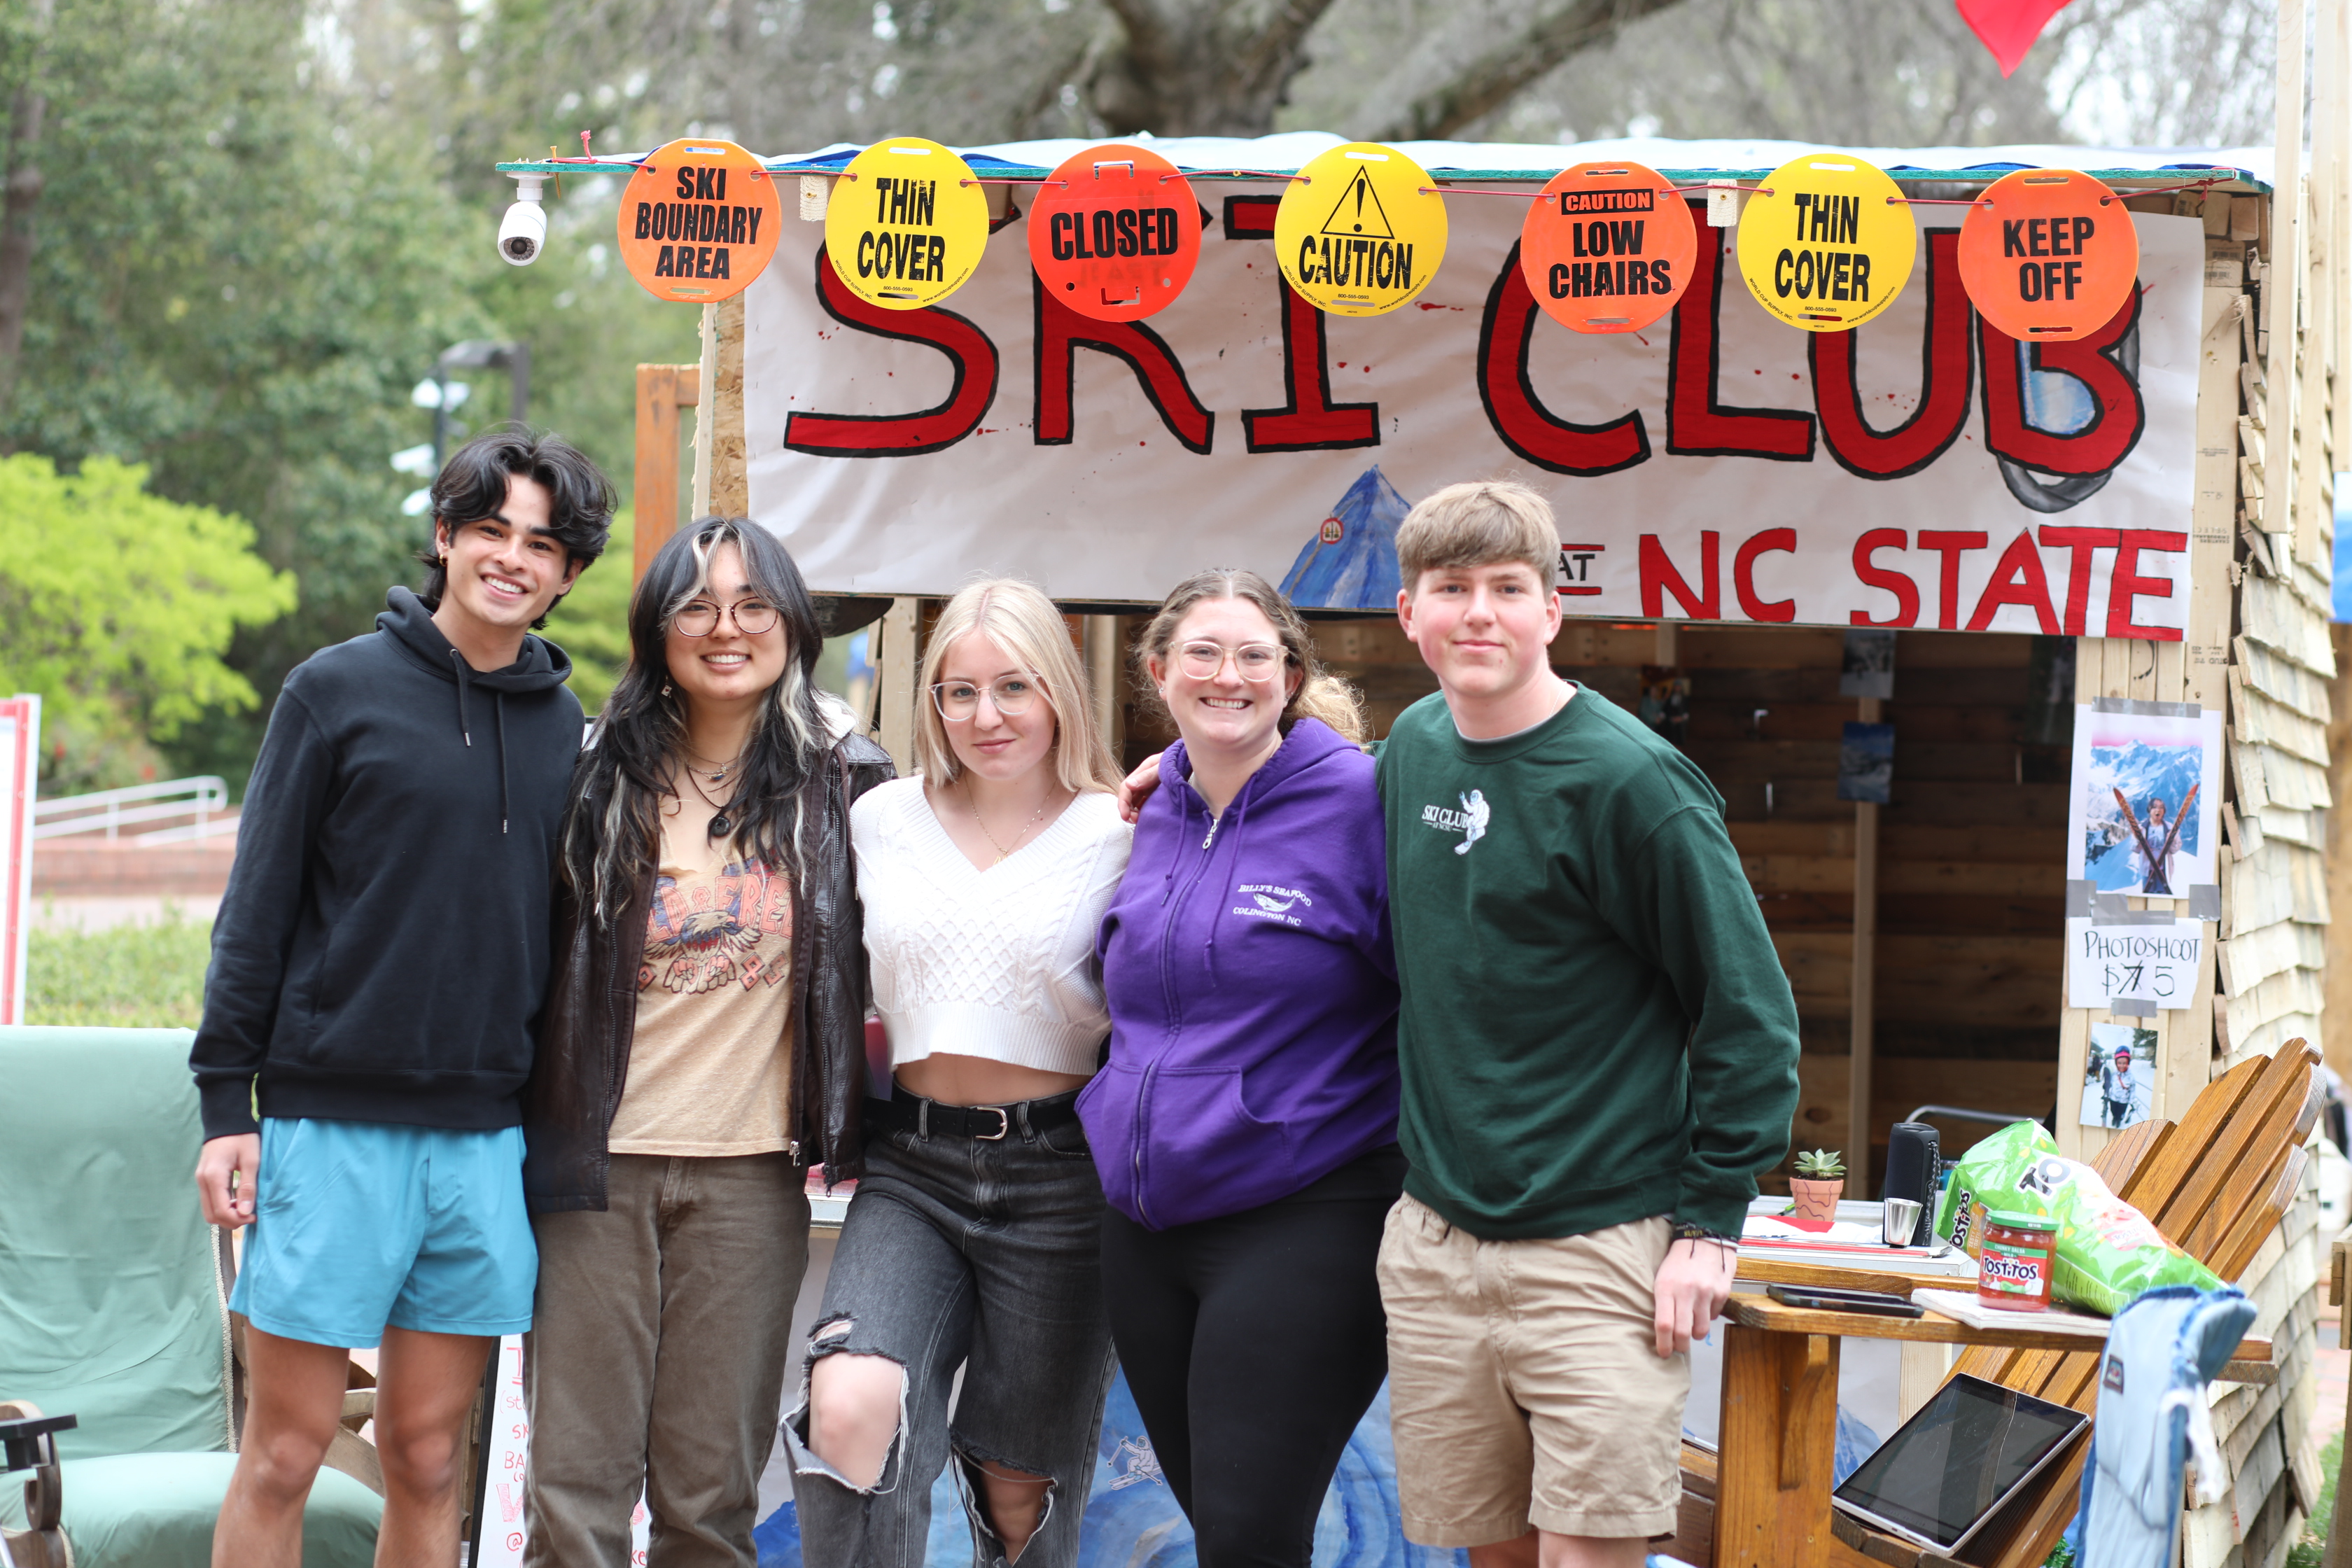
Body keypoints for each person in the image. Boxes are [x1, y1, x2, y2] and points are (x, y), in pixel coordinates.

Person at [188, 429, 615, 1568]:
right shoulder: (333, 693)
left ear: (569, 574)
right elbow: (257, 910)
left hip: (483, 1145)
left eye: (541, 544)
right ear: (444, 538)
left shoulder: (575, 736)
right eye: (489, 530)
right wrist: (226, 1106)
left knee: (429, 1459)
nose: (511, 558)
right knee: (287, 1449)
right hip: (330, 1130)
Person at [1372, 481, 1800, 1568]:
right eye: (1451, 589)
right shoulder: (1414, 748)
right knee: (1492, 1554)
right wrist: (1174, 780)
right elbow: (1285, 796)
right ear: (1409, 615)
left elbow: (1748, 1018)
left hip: (1601, 1245)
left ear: (1551, 614)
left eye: (1509, 589)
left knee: (1589, 1555)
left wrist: (1709, 1228)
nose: (1479, 613)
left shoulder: (1630, 784)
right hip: (1437, 1241)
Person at [519, 517, 893, 1567]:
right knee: (576, 1493)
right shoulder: (591, 770)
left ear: (791, 624)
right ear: (656, 627)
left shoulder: (850, 780)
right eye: (697, 605)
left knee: (710, 1499)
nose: (725, 629)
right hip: (596, 1167)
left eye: (752, 605)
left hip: (749, 1180)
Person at [789, 578, 1132, 1568]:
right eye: (959, 692)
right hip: (916, 1164)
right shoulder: (880, 817)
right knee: (849, 1404)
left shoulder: (1125, 828)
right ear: (932, 703)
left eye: (1014, 687)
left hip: (1063, 1175)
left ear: (1060, 692)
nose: (987, 716)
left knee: (1015, 1490)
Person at [1086, 569, 1401, 1568]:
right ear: (1159, 673)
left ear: (1293, 676)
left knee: (1248, 1538)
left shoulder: (1364, 803)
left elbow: (1449, 994)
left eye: (1255, 655)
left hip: (1305, 1207)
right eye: (1204, 655)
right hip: (1143, 1225)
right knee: (1228, 1531)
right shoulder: (1144, 812)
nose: (1230, 676)